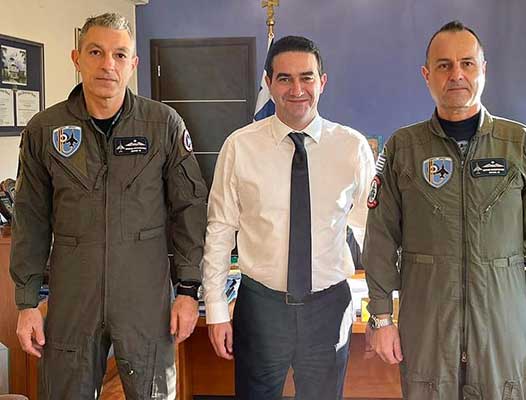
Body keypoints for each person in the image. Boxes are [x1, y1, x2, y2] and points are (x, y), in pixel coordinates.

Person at [362, 21, 526, 400]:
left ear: (483, 70)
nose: (456, 74)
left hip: (501, 330)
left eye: (467, 63)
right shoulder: (402, 149)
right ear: (427, 75)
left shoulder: (520, 145)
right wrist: (381, 316)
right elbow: (379, 237)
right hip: (427, 329)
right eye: (443, 65)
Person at [10, 13, 207, 399]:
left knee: (152, 392)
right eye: (96, 52)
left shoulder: (162, 125)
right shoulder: (44, 130)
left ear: (133, 63)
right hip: (73, 294)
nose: (107, 65)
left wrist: (187, 290)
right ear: (76, 58)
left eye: (119, 55)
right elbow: (29, 219)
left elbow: (190, 208)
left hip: (144, 295)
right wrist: (27, 302)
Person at [202, 35, 375, 400]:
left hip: (329, 308)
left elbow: (371, 232)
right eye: (284, 78)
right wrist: (216, 310)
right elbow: (220, 230)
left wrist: (381, 309)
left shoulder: (352, 147)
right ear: (268, 83)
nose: (297, 89)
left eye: (306, 77)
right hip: (261, 307)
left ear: (322, 82)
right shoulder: (240, 146)